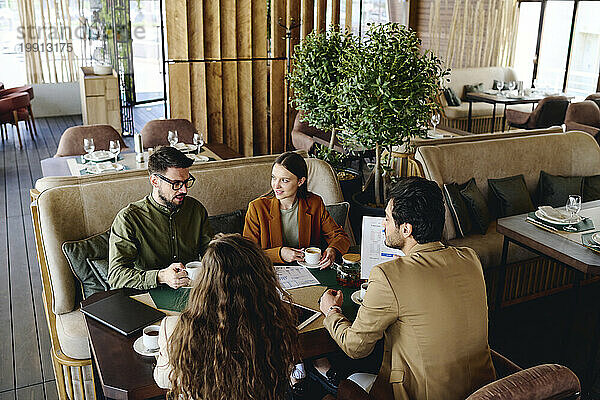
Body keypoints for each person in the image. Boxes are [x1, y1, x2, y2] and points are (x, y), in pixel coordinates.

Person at [319, 177, 496, 400]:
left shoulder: (387, 275)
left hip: (422, 393)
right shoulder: (471, 258)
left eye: (387, 218)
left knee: (350, 381)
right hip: (484, 392)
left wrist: (332, 312)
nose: (383, 224)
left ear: (406, 229)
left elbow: (356, 348)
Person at [153, 234, 300, 400]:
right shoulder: (276, 319)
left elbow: (163, 380)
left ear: (205, 280)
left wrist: (162, 351)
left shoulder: (173, 327)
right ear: (262, 278)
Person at [108, 146, 213, 290]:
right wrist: (160, 276)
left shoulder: (196, 209)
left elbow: (210, 254)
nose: (184, 190)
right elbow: (115, 276)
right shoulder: (129, 219)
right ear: (155, 181)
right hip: (149, 296)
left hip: (194, 294)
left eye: (186, 182)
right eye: (176, 184)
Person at [243, 151, 350, 268]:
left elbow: (340, 237)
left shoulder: (315, 203)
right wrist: (279, 254)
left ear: (300, 181)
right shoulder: (257, 208)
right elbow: (247, 253)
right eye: (274, 178)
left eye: (284, 180)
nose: (276, 186)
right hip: (270, 273)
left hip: (308, 272)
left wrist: (332, 250)